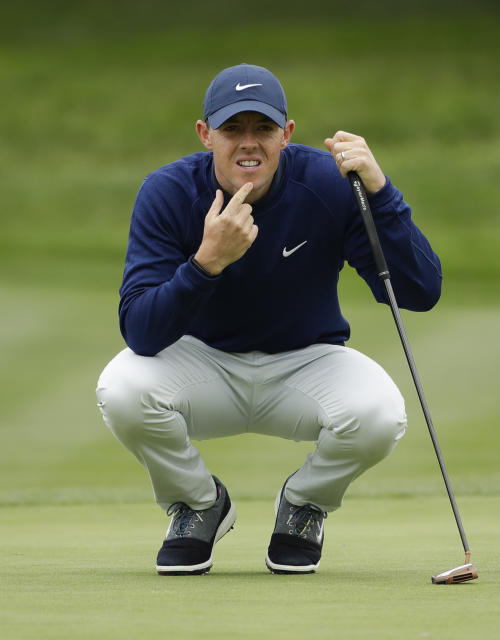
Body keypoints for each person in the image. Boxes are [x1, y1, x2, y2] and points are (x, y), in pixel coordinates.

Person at [95, 63, 442, 576]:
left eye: (263, 129)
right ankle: (197, 504)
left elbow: (419, 291)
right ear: (205, 134)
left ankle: (305, 505)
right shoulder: (168, 192)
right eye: (233, 129)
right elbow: (141, 331)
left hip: (307, 362)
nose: (248, 143)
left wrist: (381, 192)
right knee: (121, 388)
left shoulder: (328, 184)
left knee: (379, 414)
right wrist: (206, 262)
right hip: (203, 364)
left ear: (287, 134)